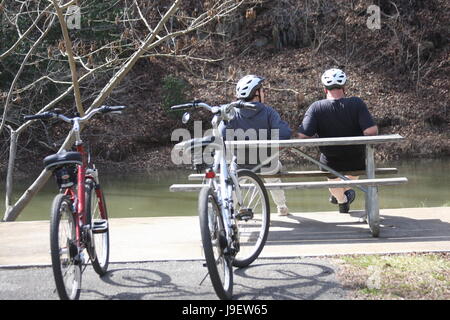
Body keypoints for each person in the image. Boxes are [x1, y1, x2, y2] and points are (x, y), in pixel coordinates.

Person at [297, 68, 378, 213]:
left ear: (324, 89)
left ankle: (341, 200)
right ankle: (344, 198)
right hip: (356, 159)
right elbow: (370, 132)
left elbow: (303, 136)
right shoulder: (357, 103)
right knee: (350, 174)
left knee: (333, 179)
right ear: (344, 87)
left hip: (330, 162)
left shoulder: (316, 108)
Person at [219, 75, 292, 216]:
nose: (264, 93)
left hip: (241, 164)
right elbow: (284, 134)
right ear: (256, 94)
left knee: (234, 180)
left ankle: (230, 210)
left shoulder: (232, 113)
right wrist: (271, 149)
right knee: (274, 174)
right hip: (267, 164)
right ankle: (281, 206)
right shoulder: (268, 112)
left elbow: (222, 135)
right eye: (262, 90)